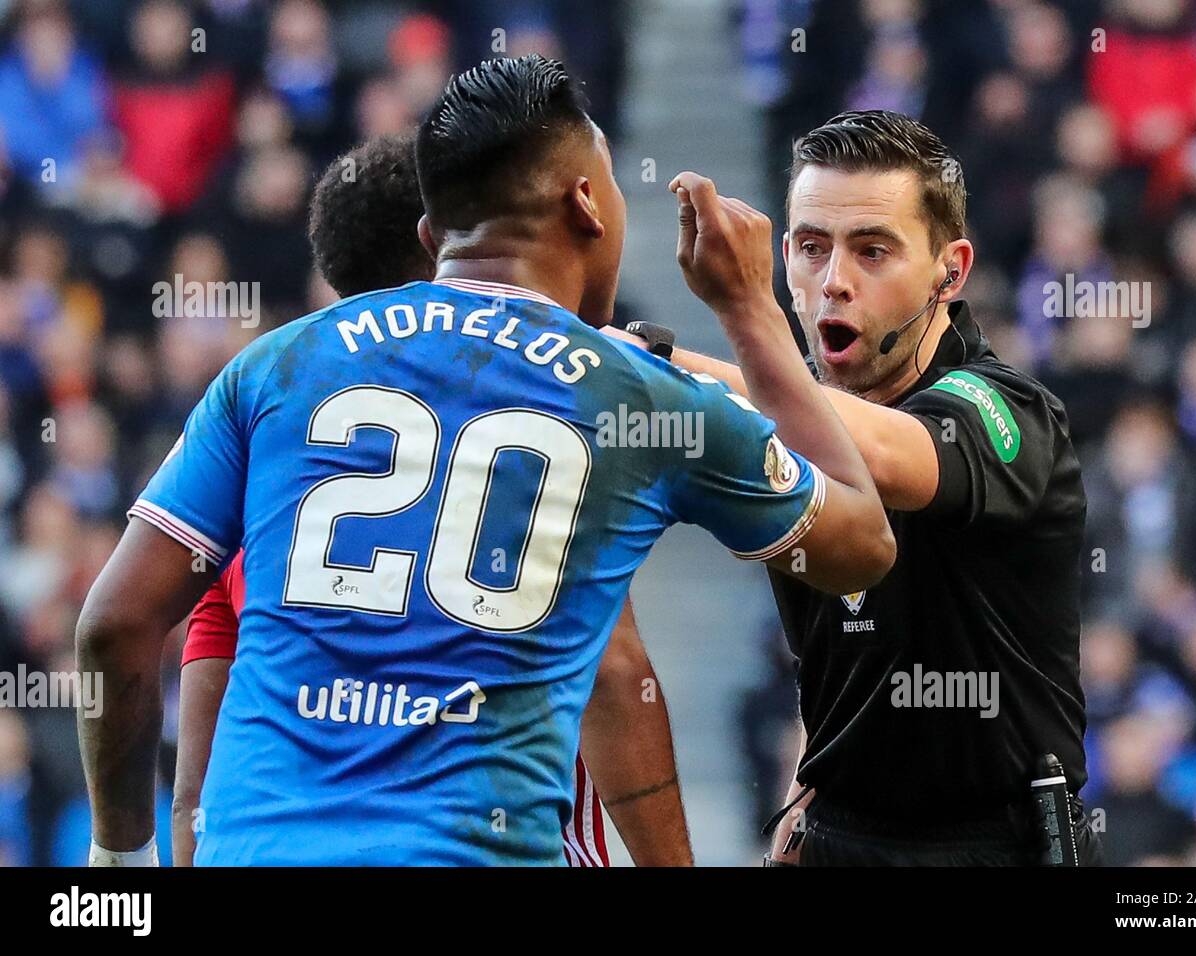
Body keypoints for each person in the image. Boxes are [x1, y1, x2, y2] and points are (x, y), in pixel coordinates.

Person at [76, 56, 894, 866]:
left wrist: (120, 857)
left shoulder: (273, 366)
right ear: (588, 204)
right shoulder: (636, 395)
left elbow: (114, 625)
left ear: (435, 240)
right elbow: (863, 543)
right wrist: (749, 307)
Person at [169, 132, 691, 868]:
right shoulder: (523, 441)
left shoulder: (255, 454)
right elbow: (612, 673)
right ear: (442, 250)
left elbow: (196, 781)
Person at [656, 110, 1097, 865]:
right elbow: (841, 665)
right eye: (811, 248)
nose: (833, 282)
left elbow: (892, 458)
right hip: (843, 840)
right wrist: (810, 796)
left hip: (993, 850)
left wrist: (705, 340)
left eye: (873, 251)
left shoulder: (1010, 412)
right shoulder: (789, 423)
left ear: (949, 271)